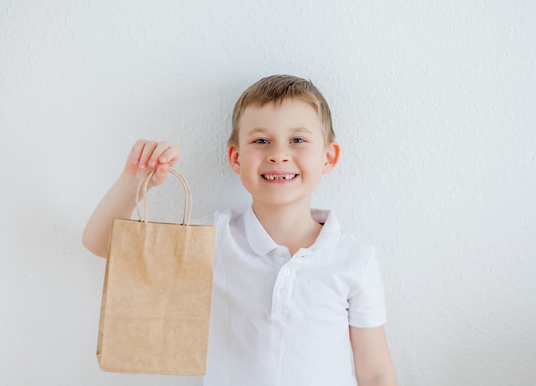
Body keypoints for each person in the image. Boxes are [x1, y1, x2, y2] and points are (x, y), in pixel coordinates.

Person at [82, 74, 397, 386]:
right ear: (235, 157)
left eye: (298, 140)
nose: (278, 154)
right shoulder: (213, 239)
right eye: (261, 141)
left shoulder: (355, 259)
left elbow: (376, 373)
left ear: (329, 157)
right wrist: (134, 180)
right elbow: (100, 243)